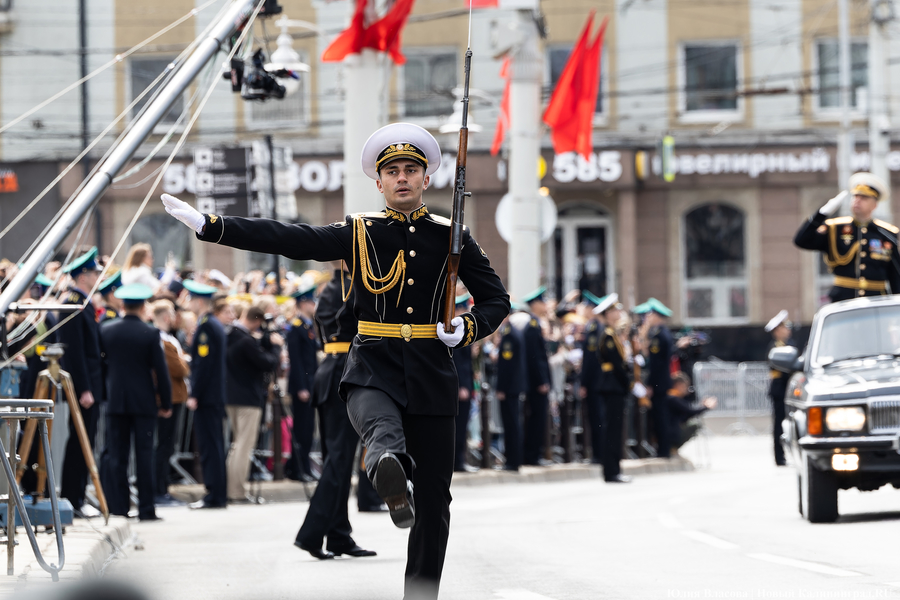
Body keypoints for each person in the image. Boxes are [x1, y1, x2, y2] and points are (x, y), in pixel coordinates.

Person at [162, 121, 509, 600]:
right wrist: (213, 227)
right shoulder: (359, 231)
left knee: (435, 499)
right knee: (379, 428)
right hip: (372, 363)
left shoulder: (452, 237)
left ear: (427, 179)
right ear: (379, 182)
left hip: (432, 367)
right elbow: (291, 238)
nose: (403, 178)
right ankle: (387, 465)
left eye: (412, 169)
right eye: (393, 172)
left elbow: (497, 301)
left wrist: (466, 327)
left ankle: (421, 594)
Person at [294, 267, 377, 560]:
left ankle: (339, 535)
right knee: (339, 459)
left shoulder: (331, 287)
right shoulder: (355, 286)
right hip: (348, 371)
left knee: (337, 459)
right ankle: (312, 533)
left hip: (331, 370)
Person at [99, 283, 172, 521]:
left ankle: (119, 507)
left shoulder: (106, 330)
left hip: (116, 401)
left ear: (122, 305)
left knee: (117, 456)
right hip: (143, 402)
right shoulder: (150, 333)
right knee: (144, 455)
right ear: (142, 306)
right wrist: (166, 403)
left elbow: (101, 367)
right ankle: (146, 508)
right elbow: (160, 371)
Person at [794, 172, 900, 302]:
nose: (857, 201)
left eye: (864, 198)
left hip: (876, 300)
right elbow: (801, 240)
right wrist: (821, 214)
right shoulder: (835, 228)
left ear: (874, 205)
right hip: (843, 300)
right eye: (855, 196)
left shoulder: (886, 233)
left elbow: (896, 275)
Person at [57, 247, 105, 518]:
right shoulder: (73, 302)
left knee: (84, 439)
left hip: (91, 383)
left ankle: (76, 496)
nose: (98, 276)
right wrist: (84, 388)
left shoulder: (81, 301)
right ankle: (72, 499)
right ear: (83, 275)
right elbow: (74, 352)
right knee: (80, 441)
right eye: (95, 272)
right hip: (84, 385)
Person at [225, 305, 283, 503]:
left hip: (231, 396)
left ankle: (231, 488)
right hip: (248, 398)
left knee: (236, 444)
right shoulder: (246, 341)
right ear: (257, 321)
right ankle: (237, 491)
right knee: (243, 445)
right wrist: (275, 347)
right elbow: (266, 362)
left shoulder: (231, 335)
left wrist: (265, 340)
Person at [184, 280, 228, 510]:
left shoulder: (206, 326)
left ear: (199, 301)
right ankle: (217, 493)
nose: (189, 303)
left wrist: (195, 392)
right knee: (214, 444)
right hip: (214, 395)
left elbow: (203, 365)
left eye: (191, 299)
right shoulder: (213, 324)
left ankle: (214, 494)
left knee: (210, 445)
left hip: (207, 396)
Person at [150, 300, 190, 506]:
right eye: (173, 313)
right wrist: (184, 362)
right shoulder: (161, 340)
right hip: (169, 398)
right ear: (166, 317)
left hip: (175, 397)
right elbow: (179, 368)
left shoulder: (168, 339)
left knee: (167, 445)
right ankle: (159, 489)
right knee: (163, 445)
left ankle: (163, 487)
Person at [593, 294, 631, 483]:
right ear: (608, 314)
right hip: (612, 385)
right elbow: (617, 364)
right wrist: (628, 382)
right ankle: (611, 471)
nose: (618, 313)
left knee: (615, 430)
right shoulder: (608, 335)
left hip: (614, 385)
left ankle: (614, 469)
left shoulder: (612, 333)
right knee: (612, 431)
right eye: (615, 310)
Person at [286, 282, 319, 482]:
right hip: (303, 386)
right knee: (302, 430)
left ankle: (302, 467)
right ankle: (298, 469)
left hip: (310, 384)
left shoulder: (308, 326)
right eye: (311, 301)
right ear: (303, 303)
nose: (314, 304)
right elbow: (296, 360)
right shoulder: (296, 327)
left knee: (307, 430)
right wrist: (301, 387)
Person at [638, 298, 674, 459]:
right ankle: (662, 449)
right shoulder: (660, 333)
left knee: (660, 417)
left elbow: (656, 364)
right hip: (661, 381)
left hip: (659, 382)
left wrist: (652, 384)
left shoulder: (660, 335)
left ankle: (663, 450)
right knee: (659, 416)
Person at [520, 287, 551, 466]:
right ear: (536, 304)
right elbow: (535, 357)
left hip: (536, 380)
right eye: (543, 302)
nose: (545, 305)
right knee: (536, 419)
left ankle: (535, 454)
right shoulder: (532, 325)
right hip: (536, 382)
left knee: (539, 419)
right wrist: (542, 381)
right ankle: (532, 455)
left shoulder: (536, 323)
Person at [495, 312, 526, 471]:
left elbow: (507, 367)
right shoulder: (513, 332)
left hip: (509, 388)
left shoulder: (509, 334)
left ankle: (512, 461)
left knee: (511, 424)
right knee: (512, 423)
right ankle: (513, 459)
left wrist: (501, 388)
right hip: (513, 387)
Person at [579, 291, 605, 464]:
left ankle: (599, 454)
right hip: (599, 381)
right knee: (597, 418)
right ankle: (599, 453)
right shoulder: (594, 327)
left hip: (595, 382)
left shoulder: (594, 329)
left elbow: (590, 359)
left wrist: (583, 382)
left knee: (597, 419)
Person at [765, 310, 794, 466]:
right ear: (777, 331)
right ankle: (779, 456)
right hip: (779, 390)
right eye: (785, 327)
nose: (788, 330)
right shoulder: (775, 348)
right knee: (779, 425)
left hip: (787, 389)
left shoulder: (787, 345)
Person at [665, 372, 716, 451]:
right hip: (671, 432)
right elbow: (690, 411)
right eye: (685, 386)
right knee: (694, 425)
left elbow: (687, 411)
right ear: (678, 385)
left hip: (671, 429)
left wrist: (702, 406)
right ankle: (673, 447)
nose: (686, 389)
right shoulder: (672, 398)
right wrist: (706, 407)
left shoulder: (674, 397)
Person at [452, 293, 475, 472]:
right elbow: (458, 364)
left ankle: (459, 460)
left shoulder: (462, 330)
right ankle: (457, 462)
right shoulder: (454, 333)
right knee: (457, 429)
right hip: (460, 389)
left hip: (466, 386)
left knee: (462, 427)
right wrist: (462, 386)